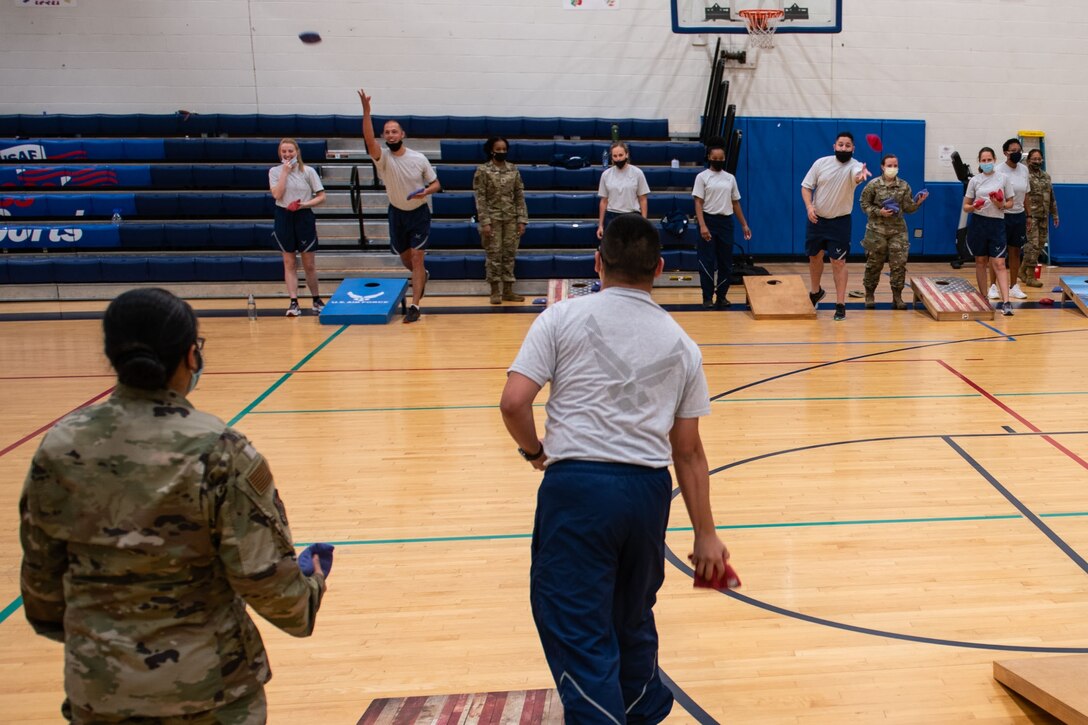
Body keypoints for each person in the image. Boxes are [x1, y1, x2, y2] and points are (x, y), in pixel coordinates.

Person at [19, 288, 328, 724]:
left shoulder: (59, 446)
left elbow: (42, 588)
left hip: (100, 690)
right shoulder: (220, 450)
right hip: (207, 692)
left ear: (113, 356)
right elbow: (269, 585)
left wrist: (101, 643)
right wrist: (311, 587)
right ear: (190, 356)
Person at [500, 214, 729, 724]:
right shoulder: (683, 344)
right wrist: (706, 533)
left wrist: (534, 452)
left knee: (577, 628)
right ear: (660, 268)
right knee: (631, 618)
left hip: (578, 490)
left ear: (597, 262)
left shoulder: (560, 318)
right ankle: (641, 709)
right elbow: (688, 451)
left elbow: (514, 402)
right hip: (647, 493)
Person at [358, 88, 441, 324]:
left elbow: (436, 184)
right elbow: (368, 140)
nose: (391, 135)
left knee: (417, 256)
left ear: (402, 134)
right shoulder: (382, 158)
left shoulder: (418, 158)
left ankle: (415, 306)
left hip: (419, 213)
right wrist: (366, 112)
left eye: (394, 131)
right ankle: (422, 275)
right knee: (406, 259)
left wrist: (426, 191)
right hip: (396, 213)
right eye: (387, 132)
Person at [801, 131, 871, 321]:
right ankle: (815, 292)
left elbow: (857, 176)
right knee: (814, 257)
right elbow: (806, 187)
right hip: (816, 220)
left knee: (838, 262)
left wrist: (861, 176)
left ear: (853, 148)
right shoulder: (821, 163)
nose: (844, 148)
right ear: (834, 146)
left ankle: (840, 304)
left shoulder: (855, 166)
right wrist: (809, 207)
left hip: (840, 223)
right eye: (841, 144)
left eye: (848, 145)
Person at [858, 153, 928, 310]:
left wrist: (918, 202)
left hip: (898, 231)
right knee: (873, 264)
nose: (893, 168)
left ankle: (897, 297)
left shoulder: (904, 186)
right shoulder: (873, 185)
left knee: (899, 265)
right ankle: (869, 295)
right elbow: (864, 204)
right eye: (889, 165)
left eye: (895, 165)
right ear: (882, 167)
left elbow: (908, 208)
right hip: (876, 231)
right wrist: (879, 212)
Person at [692, 138, 752, 309]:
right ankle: (707, 297)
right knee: (707, 261)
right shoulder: (702, 177)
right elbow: (698, 202)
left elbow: (735, 203)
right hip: (708, 220)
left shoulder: (730, 178)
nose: (718, 161)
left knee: (725, 262)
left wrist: (744, 224)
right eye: (715, 158)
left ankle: (722, 296)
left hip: (726, 222)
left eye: (721, 158)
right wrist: (702, 225)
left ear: (724, 159)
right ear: (709, 158)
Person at [270, 138, 327, 316]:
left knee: (309, 264)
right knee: (289, 262)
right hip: (283, 216)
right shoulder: (274, 171)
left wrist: (304, 205)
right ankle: (293, 302)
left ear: (297, 152)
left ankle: (316, 299)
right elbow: (277, 194)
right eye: (284, 151)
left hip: (303, 215)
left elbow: (321, 196)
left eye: (290, 151)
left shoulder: (308, 171)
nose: (287, 154)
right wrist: (285, 173)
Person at [473, 136, 529, 305]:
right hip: (493, 218)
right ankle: (495, 290)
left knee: (509, 254)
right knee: (494, 254)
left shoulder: (513, 169)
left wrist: (522, 219)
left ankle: (508, 290)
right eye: (498, 149)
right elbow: (480, 198)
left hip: (511, 218)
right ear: (491, 150)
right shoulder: (483, 170)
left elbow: (519, 196)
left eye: (504, 149)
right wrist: (485, 221)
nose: (502, 152)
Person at [963, 147, 1015, 316]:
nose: (986, 163)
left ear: (994, 160)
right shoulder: (974, 181)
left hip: (997, 224)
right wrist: (974, 206)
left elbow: (1011, 203)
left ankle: (1006, 302)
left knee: (999, 263)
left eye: (989, 160)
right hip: (979, 223)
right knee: (980, 261)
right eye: (983, 160)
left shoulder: (1003, 178)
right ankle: (983, 298)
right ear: (979, 162)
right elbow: (966, 207)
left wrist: (1001, 204)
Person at [988, 138, 1031, 301]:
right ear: (1005, 152)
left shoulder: (1024, 170)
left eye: (1019, 150)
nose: (1017, 153)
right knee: (997, 253)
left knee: (1015, 252)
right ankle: (993, 286)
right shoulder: (998, 170)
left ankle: (1014, 286)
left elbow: (1026, 194)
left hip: (1018, 216)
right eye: (1013, 150)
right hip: (1001, 215)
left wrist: (1028, 215)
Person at [1018, 148, 1059, 288]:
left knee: (1040, 245)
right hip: (1031, 216)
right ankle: (1030, 277)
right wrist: (1026, 215)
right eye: (1034, 159)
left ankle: (1022, 270)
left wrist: (1055, 214)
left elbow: (1052, 197)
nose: (1037, 161)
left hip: (1043, 216)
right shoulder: (1025, 176)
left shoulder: (1046, 176)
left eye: (1039, 159)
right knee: (1033, 245)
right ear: (1028, 160)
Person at [596, 142, 650, 239]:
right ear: (611, 157)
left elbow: (643, 199)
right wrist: (600, 225)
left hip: (632, 216)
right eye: (615, 156)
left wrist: (644, 223)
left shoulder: (638, 173)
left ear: (627, 154)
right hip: (612, 217)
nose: (618, 158)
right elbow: (603, 201)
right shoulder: (606, 175)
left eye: (620, 155)